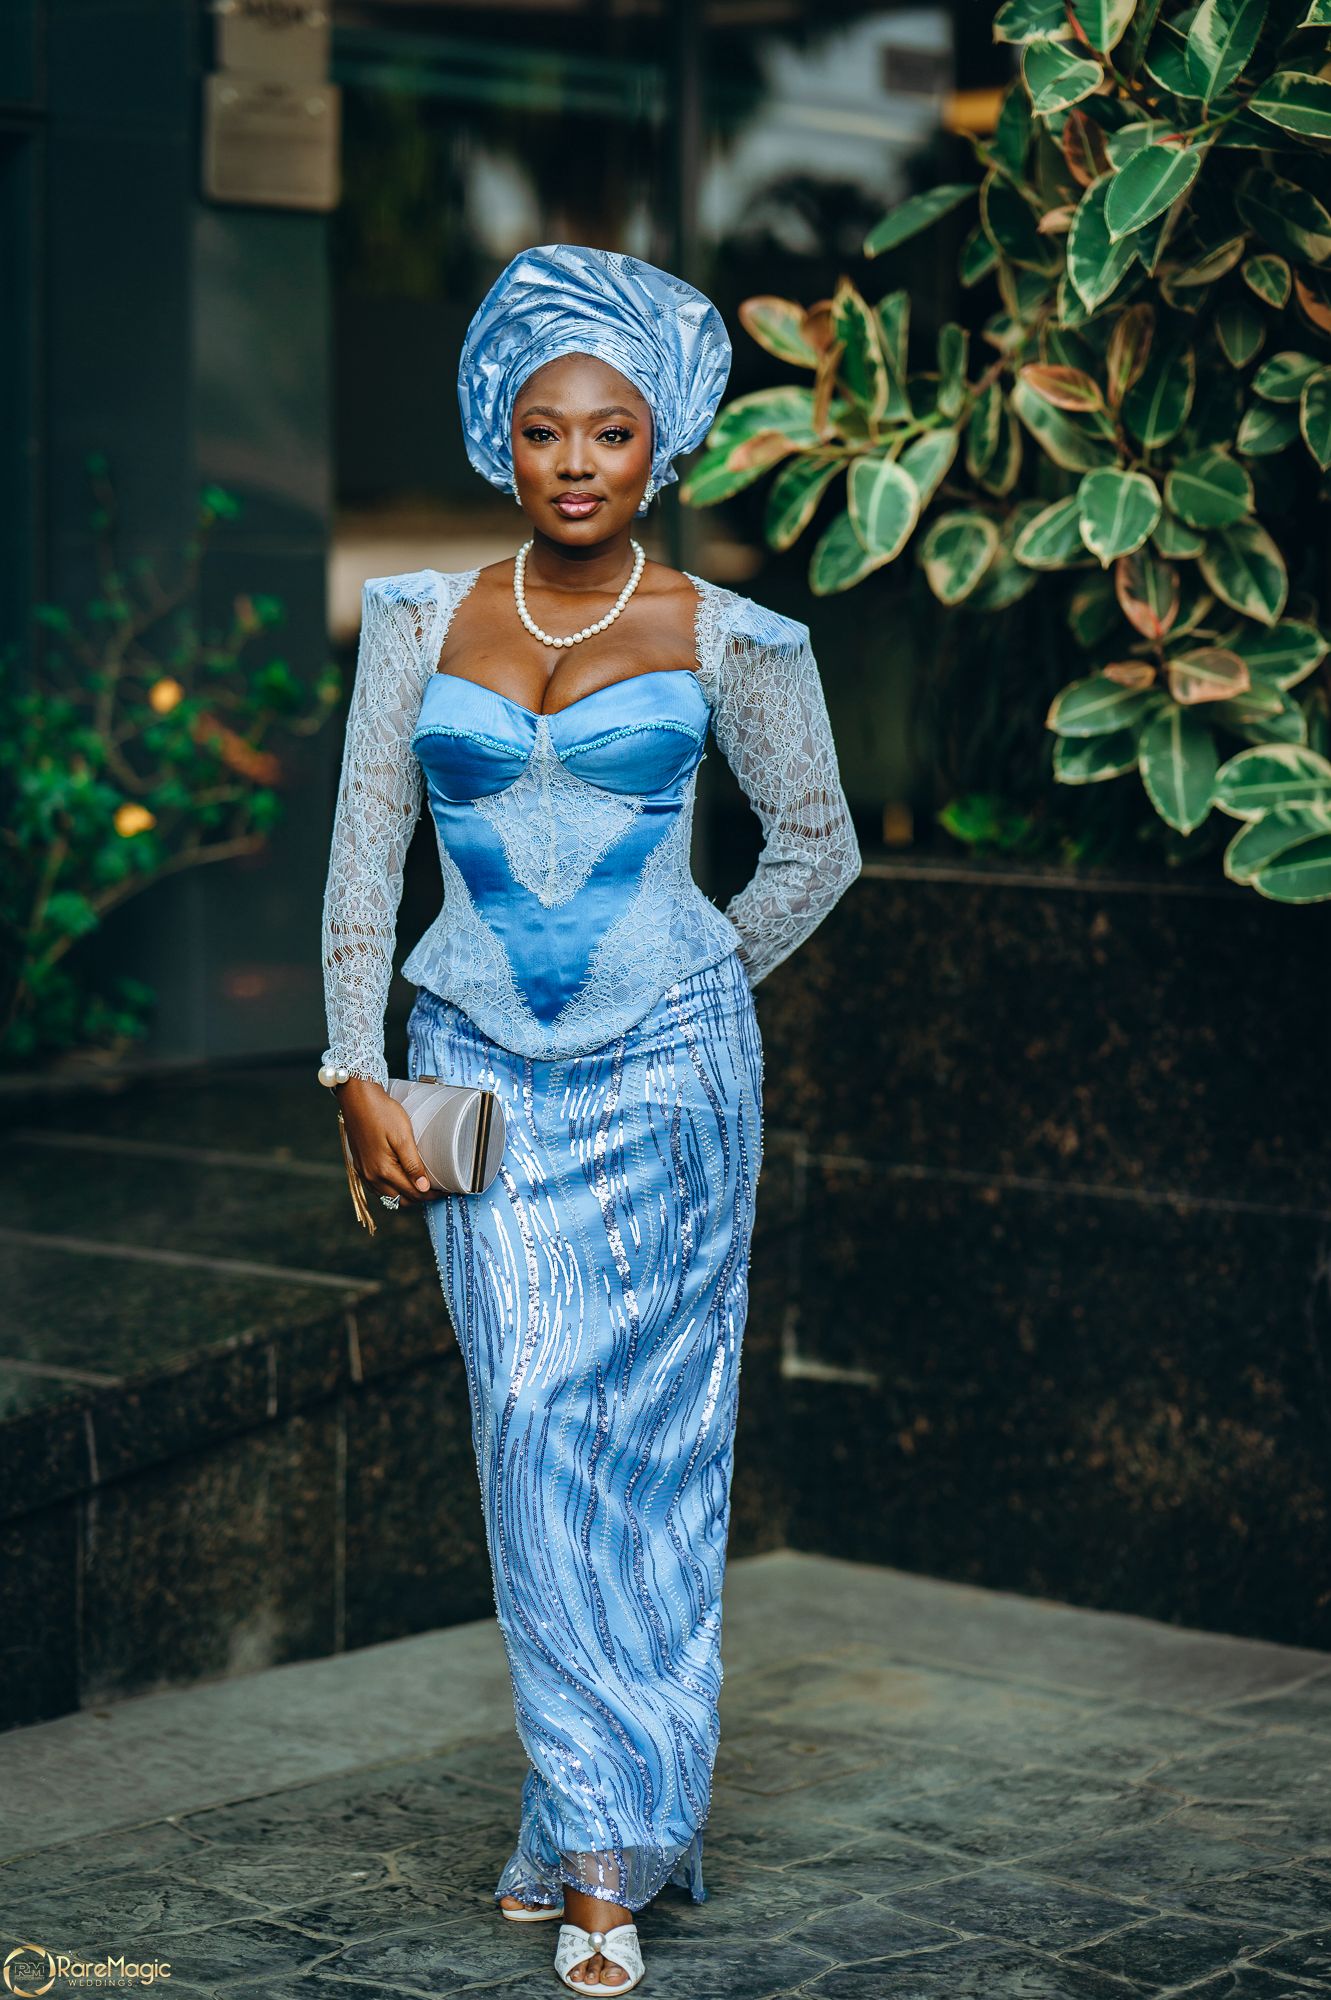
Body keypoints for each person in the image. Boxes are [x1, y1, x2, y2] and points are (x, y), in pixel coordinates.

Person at [319, 243, 861, 1996]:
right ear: (501, 432)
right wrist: (354, 1073)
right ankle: (600, 1830)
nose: (574, 463)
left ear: (660, 447)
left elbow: (818, 848)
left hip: (675, 1082)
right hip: (471, 1056)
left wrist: (704, 980)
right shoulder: (414, 624)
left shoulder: (737, 637)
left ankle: (601, 1835)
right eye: (545, 430)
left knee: (653, 1445)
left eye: (609, 434)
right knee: (530, 1416)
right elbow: (360, 876)